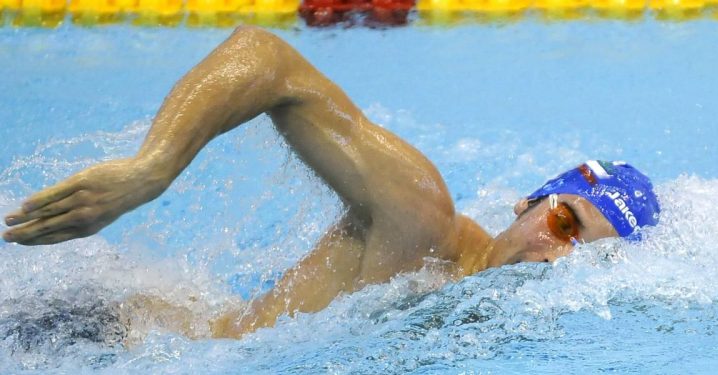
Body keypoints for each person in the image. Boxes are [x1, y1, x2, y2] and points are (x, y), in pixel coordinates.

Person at [1, 26, 660, 339]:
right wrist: (152, 169)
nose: (554, 255)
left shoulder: (486, 320)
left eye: (584, 252)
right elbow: (269, 59)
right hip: (114, 336)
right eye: (565, 221)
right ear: (527, 201)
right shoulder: (422, 219)